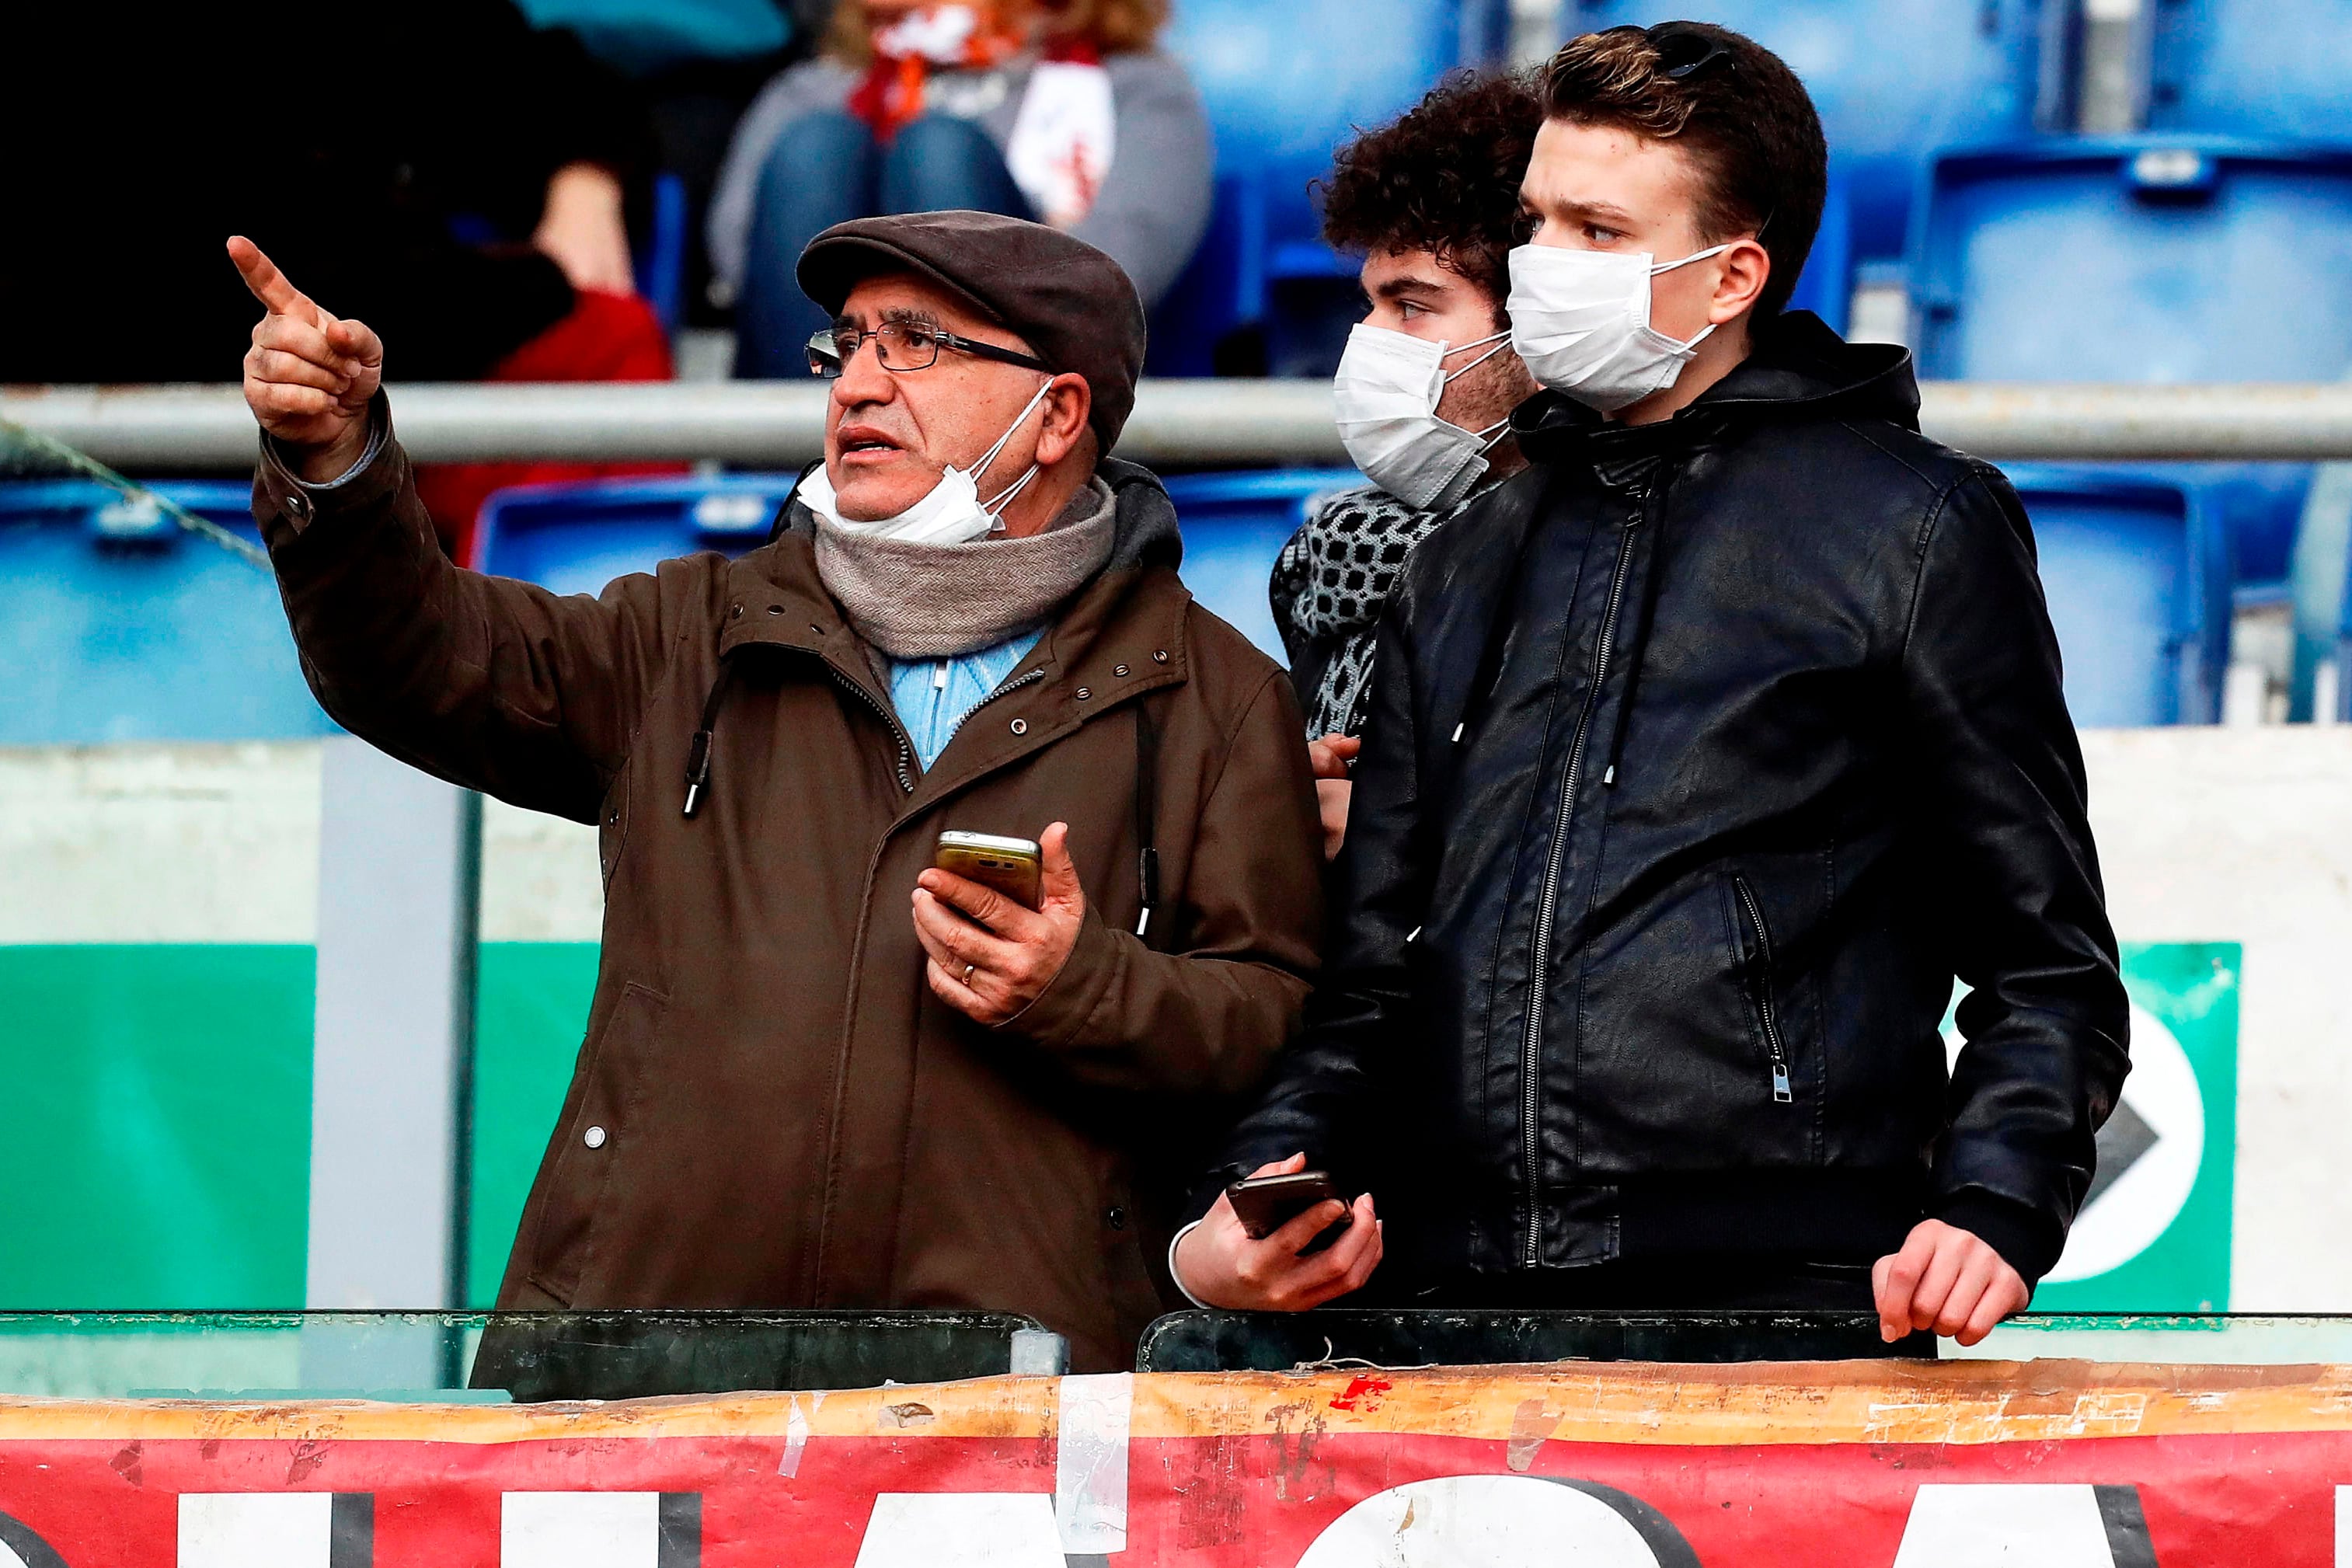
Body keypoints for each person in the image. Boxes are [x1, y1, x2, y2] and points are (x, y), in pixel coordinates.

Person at [228, 211, 1322, 1374]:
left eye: (916, 343)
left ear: (1056, 416)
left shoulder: (1215, 698)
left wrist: (1081, 986)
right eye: (846, 344)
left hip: (1008, 1408)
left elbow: (1273, 1020)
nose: (858, 384)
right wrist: (336, 465)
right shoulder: (689, 634)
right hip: (647, 1375)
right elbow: (415, 662)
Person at [1175, 21, 2131, 1351]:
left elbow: (2046, 959)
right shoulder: (1460, 552)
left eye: (1598, 231)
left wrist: (1994, 1204)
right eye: (1534, 224)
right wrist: (1262, 1184)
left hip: (1783, 1308)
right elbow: (1369, 983)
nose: (1540, 265)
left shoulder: (1914, 526)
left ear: (1731, 274)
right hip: (1443, 1308)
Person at [1, 1, 677, 557]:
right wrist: (538, 284)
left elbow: (537, 75)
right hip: (117, 408)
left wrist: (585, 179)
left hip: (356, 362)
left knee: (608, 339)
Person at [1270, 71, 1545, 860]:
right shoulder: (1332, 562)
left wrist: (1389, 837)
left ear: (1537, 326)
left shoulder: (1592, 576)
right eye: (1371, 305)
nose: (1369, 340)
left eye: (1412, 306)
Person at [709, 0, 1212, 376]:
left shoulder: (1134, 87)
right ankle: (814, 436)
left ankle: (945, 419)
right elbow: (741, 258)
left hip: (1028, 380)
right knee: (818, 147)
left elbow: (1113, 282)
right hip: (809, 369)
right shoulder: (815, 89)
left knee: (938, 149)